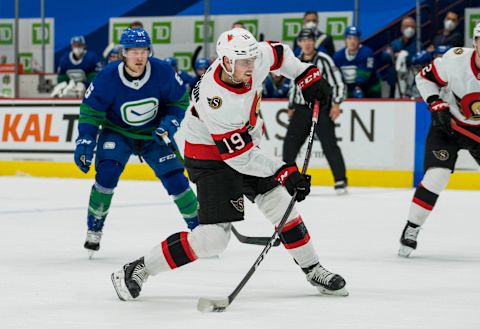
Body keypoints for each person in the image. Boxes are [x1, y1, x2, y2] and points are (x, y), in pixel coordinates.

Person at [111, 28, 348, 301]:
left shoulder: (251, 58)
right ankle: (138, 268)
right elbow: (240, 158)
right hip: (210, 157)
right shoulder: (217, 100)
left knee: (281, 203)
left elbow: (280, 54)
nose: (250, 67)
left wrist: (305, 74)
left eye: (251, 60)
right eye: (243, 62)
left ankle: (313, 268)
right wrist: (283, 170)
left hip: (243, 146)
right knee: (213, 239)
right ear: (225, 62)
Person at [74, 28, 199, 258]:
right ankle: (95, 228)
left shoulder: (162, 71)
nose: (139, 57)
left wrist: (170, 122)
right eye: (133, 51)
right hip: (117, 132)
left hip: (154, 134)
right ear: (124, 53)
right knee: (107, 174)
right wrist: (85, 140)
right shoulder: (108, 77)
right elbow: (91, 112)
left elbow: (179, 100)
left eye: (143, 51)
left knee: (176, 180)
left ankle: (200, 229)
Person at [398, 24, 480, 258]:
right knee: (437, 175)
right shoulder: (455, 61)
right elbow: (423, 78)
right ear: (474, 42)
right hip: (448, 126)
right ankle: (412, 227)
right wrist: (436, 103)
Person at [284, 29, 347, 194]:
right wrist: (291, 106)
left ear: (314, 42)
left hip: (321, 108)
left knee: (329, 144)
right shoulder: (295, 61)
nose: (306, 43)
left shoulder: (324, 59)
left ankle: (340, 180)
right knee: (289, 147)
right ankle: (290, 180)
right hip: (300, 110)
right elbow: (293, 86)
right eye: (303, 40)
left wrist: (336, 103)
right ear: (299, 43)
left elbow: (338, 82)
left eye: (310, 40)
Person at [333, 26, 381, 98]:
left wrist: (358, 88)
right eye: (349, 38)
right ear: (345, 40)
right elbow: (336, 76)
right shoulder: (338, 56)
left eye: (355, 38)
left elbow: (364, 75)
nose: (352, 42)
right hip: (349, 89)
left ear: (359, 40)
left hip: (371, 90)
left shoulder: (367, 53)